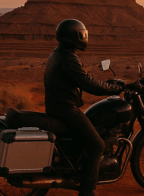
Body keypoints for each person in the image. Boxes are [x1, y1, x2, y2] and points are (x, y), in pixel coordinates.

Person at [44, 19, 123, 196]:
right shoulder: (68, 58)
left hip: (56, 107)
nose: (84, 38)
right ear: (74, 36)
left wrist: (106, 84)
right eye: (82, 35)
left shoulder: (58, 54)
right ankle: (87, 191)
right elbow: (88, 84)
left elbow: (84, 77)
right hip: (66, 110)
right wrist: (115, 88)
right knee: (97, 144)